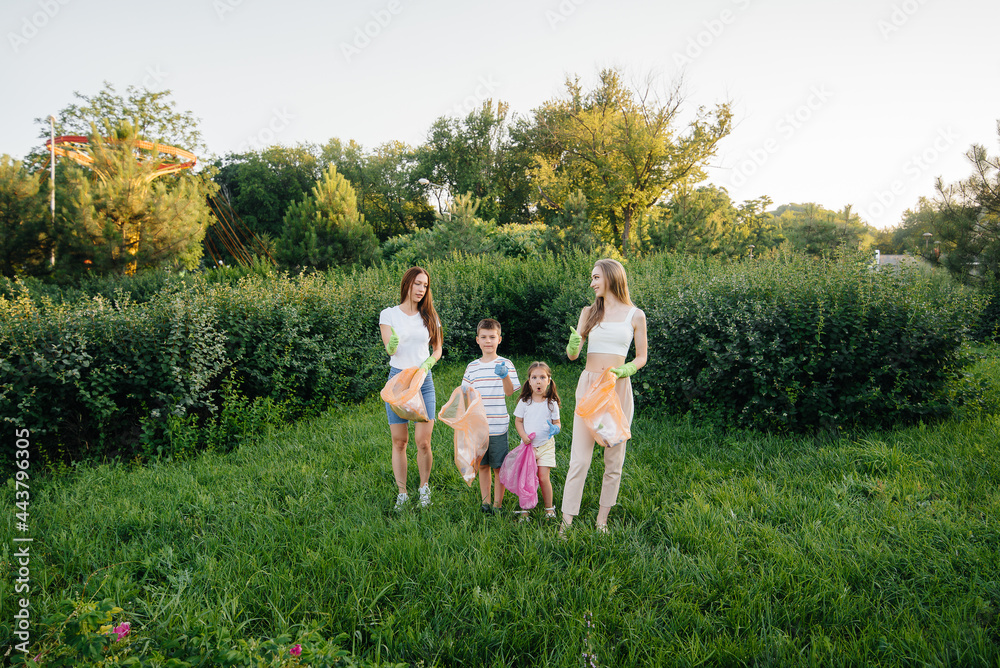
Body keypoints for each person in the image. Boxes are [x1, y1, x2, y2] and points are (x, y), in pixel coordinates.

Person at [561, 258, 648, 533]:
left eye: (596, 277)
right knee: (580, 459)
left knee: (614, 459)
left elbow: (642, 356)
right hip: (589, 387)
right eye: (592, 278)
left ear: (611, 277)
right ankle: (566, 523)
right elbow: (573, 356)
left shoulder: (635, 315)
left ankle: (602, 521)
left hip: (616, 388)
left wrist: (627, 369)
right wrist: (573, 345)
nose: (592, 283)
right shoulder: (588, 312)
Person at [379, 266, 443, 510]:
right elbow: (390, 348)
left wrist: (428, 364)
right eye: (418, 283)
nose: (421, 289)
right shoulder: (389, 314)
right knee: (399, 441)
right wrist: (392, 344)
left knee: (423, 442)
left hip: (423, 379)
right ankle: (402, 493)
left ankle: (424, 488)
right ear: (407, 284)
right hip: (398, 381)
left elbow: (437, 349)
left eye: (425, 285)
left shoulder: (429, 315)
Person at [462, 318, 519, 515]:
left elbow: (511, 392)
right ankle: (485, 504)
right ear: (477, 340)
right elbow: (466, 395)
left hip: (498, 425)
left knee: (499, 467)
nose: (488, 341)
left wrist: (504, 376)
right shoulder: (472, 367)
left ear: (499, 339)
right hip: (478, 428)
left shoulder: (506, 363)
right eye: (484, 337)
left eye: (492, 337)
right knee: (483, 466)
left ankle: (498, 504)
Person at [512, 361, 562, 520]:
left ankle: (549, 508)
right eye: (534, 377)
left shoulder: (551, 403)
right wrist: (523, 436)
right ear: (529, 381)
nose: (538, 381)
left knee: (542, 477)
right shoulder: (525, 402)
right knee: (527, 478)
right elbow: (518, 421)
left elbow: (557, 423)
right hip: (527, 447)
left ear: (549, 380)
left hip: (546, 446)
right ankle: (525, 510)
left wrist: (556, 429)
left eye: (542, 377)